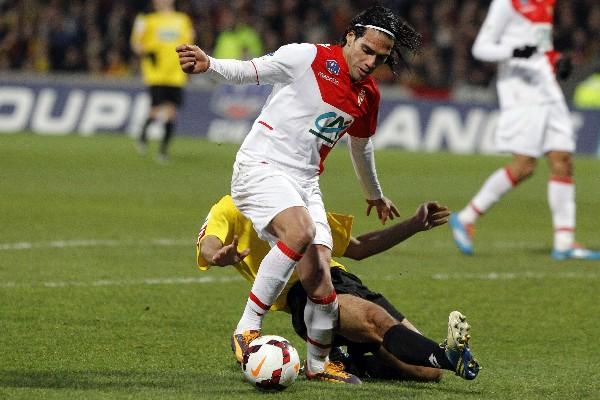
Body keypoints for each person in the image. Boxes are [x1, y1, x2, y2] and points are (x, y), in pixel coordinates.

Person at [177, 6, 422, 384]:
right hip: (261, 165)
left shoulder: (368, 95)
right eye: (367, 50)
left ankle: (318, 365)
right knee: (301, 231)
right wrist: (209, 63)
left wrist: (374, 194)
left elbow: (362, 147)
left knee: (320, 274)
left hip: (305, 180)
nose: (372, 62)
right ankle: (247, 329)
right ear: (351, 36)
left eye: (381, 58)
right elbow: (251, 71)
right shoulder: (306, 56)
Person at [196, 195, 481, 381]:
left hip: (345, 281)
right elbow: (209, 242)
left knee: (429, 372)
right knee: (375, 320)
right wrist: (217, 255)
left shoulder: (299, 198)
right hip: (305, 294)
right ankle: (449, 355)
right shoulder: (233, 205)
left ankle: (351, 363)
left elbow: (357, 248)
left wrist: (414, 225)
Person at [449, 0, 600, 261]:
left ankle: (564, 242)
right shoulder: (507, 3)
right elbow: (481, 48)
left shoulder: (546, 4)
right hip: (521, 92)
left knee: (563, 160)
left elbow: (540, 47)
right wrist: (515, 51)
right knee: (525, 165)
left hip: (547, 87)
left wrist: (555, 59)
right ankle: (466, 217)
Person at [130, 0, 194, 162]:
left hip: (176, 74)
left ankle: (163, 151)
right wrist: (146, 52)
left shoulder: (183, 19)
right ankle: (143, 133)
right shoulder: (147, 19)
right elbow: (136, 44)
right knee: (156, 109)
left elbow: (190, 41)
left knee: (172, 113)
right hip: (156, 74)